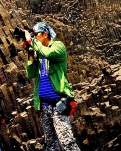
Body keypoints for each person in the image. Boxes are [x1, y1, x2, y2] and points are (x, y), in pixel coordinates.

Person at [24, 22, 80, 151]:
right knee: (51, 144)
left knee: (67, 142)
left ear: (45, 34)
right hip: (44, 106)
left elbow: (48, 53)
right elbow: (31, 73)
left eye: (36, 34)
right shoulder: (38, 51)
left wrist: (32, 42)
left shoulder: (57, 46)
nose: (34, 37)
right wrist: (30, 53)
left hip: (58, 104)